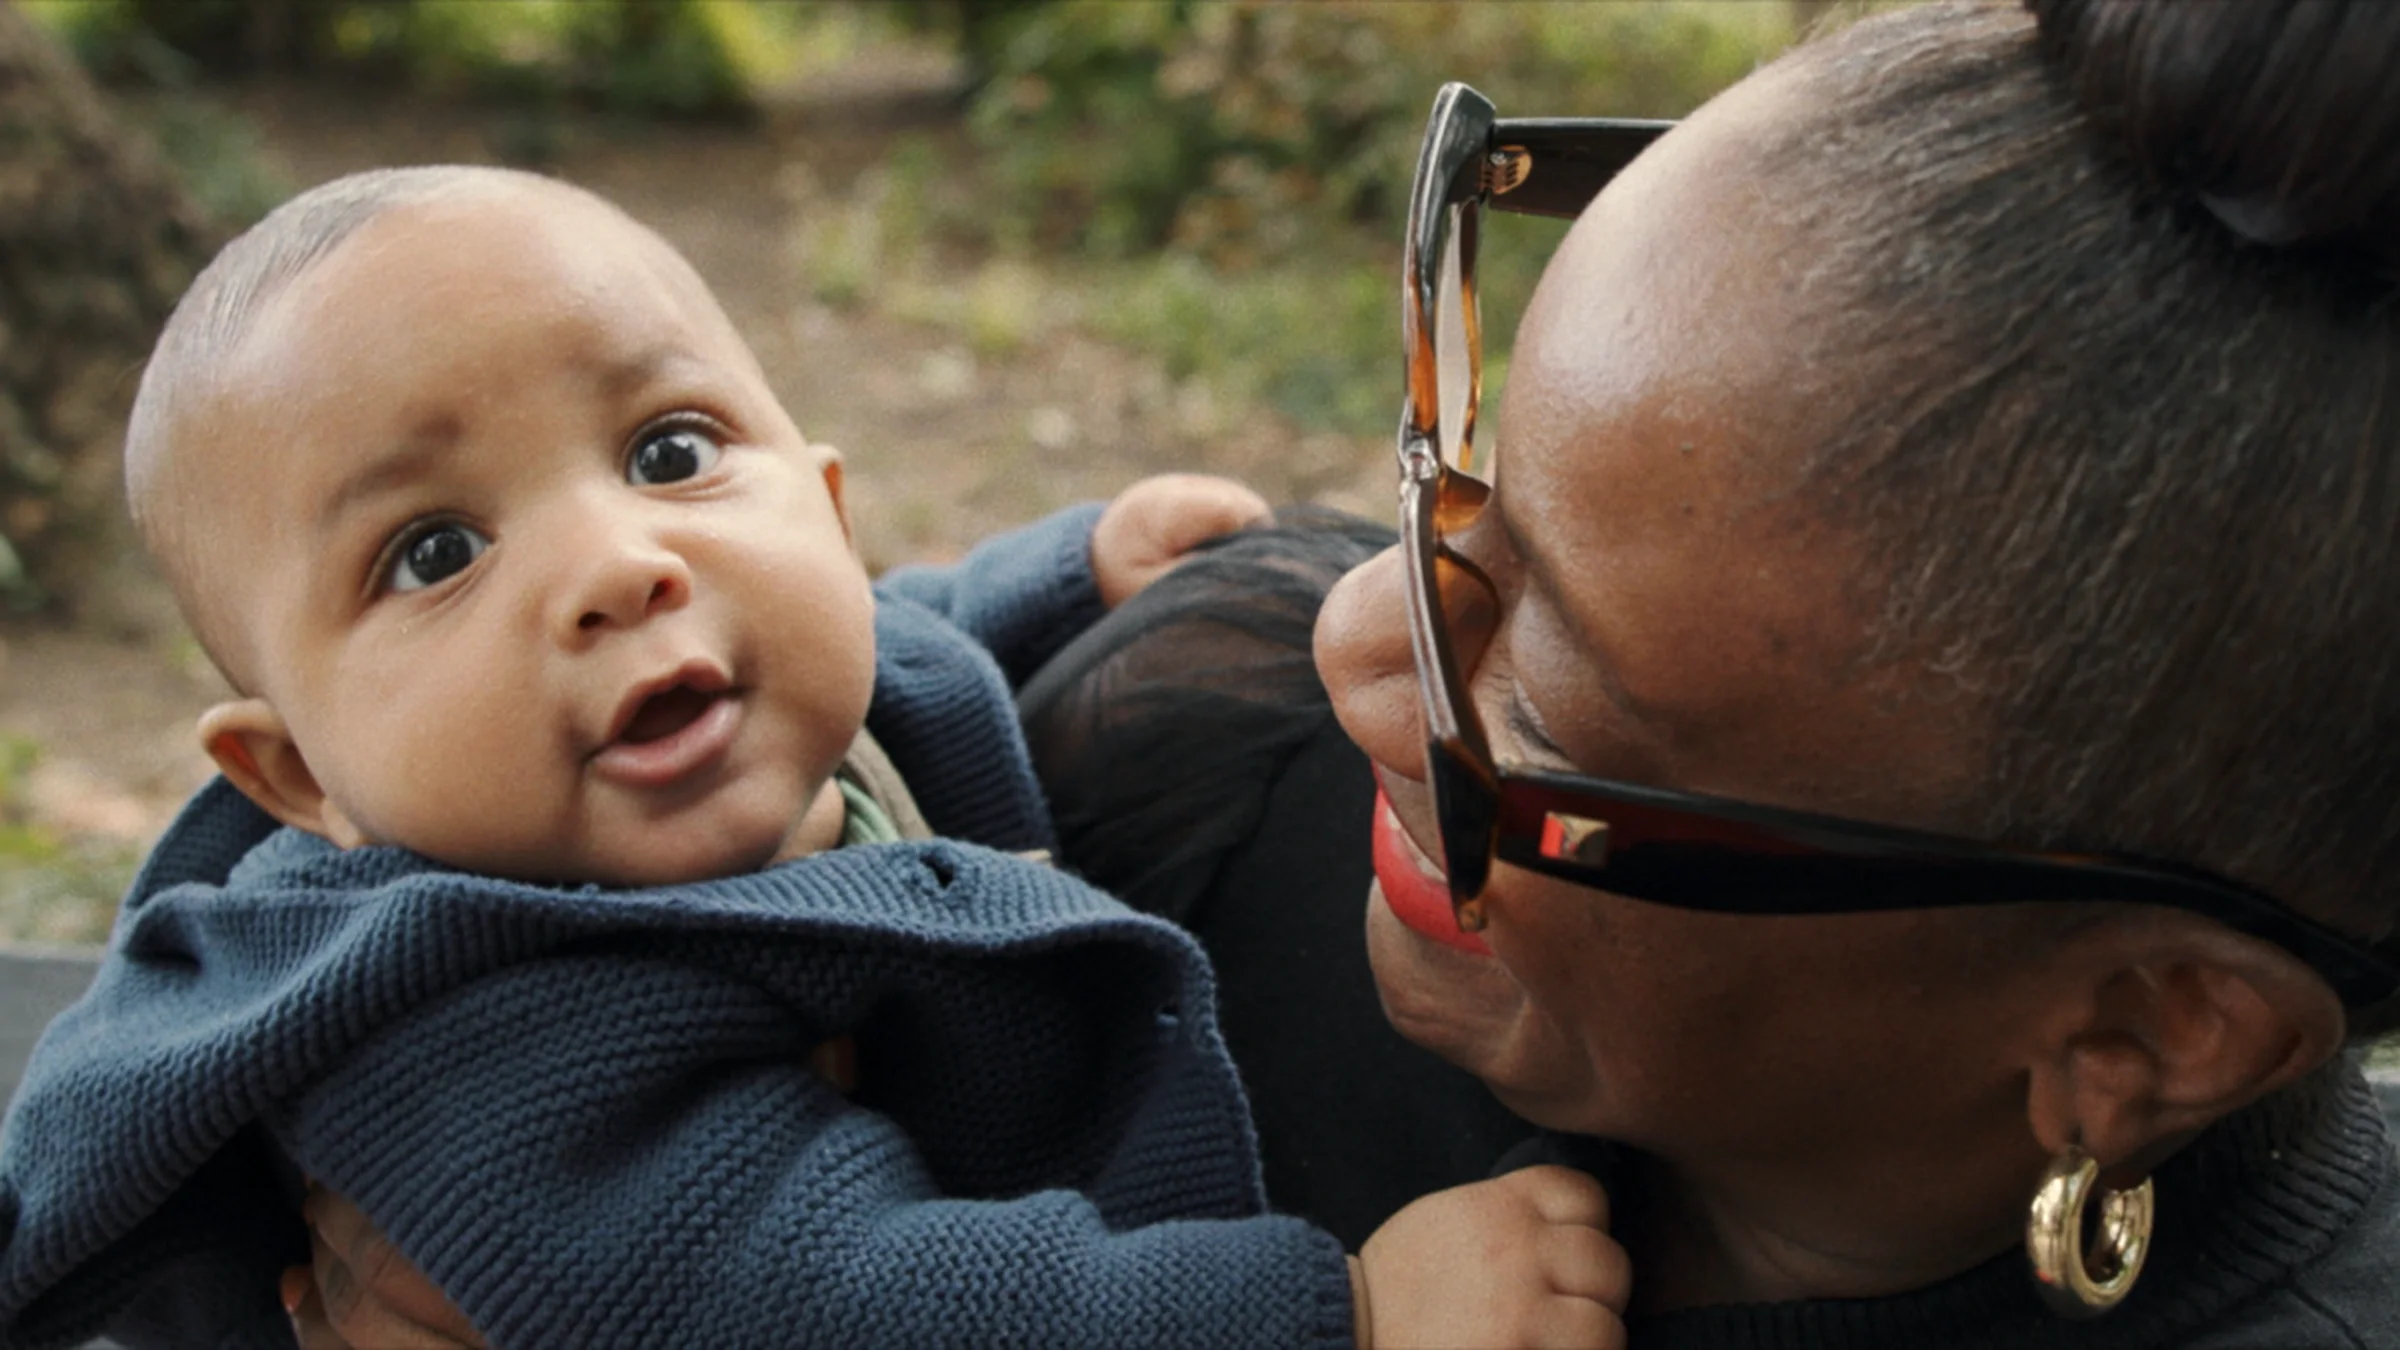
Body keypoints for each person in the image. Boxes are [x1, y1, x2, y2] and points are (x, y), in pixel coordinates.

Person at [266, 0, 2400, 1344]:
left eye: (1545, 699)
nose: (1351, 635)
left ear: (2140, 1029)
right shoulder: (1202, 789)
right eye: (1455, 493)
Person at [0, 165, 1632, 1350]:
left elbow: (903, 633)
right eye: (434, 552)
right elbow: (843, 1297)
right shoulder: (472, 1026)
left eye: (669, 450)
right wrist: (1333, 1305)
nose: (620, 563)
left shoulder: (754, 683)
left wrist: (1072, 569)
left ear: (825, 506)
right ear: (299, 780)